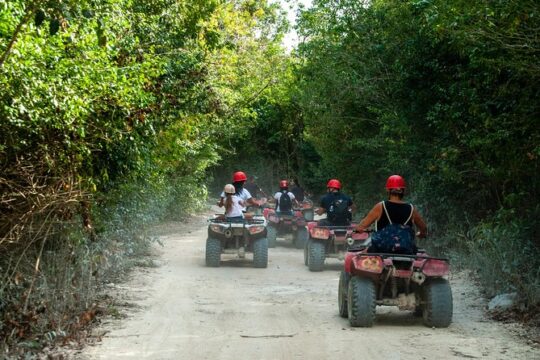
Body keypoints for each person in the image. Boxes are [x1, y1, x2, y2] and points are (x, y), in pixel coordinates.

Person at [355, 175, 427, 254]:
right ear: (403, 191)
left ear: (388, 190)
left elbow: (362, 226)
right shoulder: (411, 208)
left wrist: (358, 229)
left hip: (381, 249)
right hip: (406, 249)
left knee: (360, 256)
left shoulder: (380, 206)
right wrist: (421, 234)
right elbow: (423, 228)